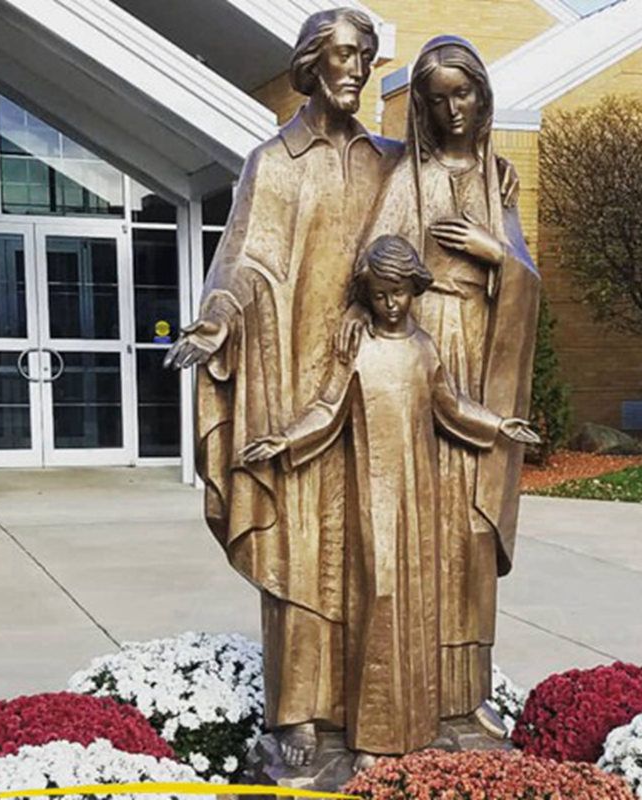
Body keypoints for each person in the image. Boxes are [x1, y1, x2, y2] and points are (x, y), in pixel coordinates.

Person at [163, 8, 403, 768]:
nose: (355, 69)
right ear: (308, 64)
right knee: (300, 550)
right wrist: (215, 323)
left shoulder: (388, 162)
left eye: (364, 56)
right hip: (293, 383)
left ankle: (372, 709)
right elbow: (245, 262)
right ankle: (298, 716)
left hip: (371, 388)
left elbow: (435, 217)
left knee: (370, 551)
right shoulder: (276, 161)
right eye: (340, 55)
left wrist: (491, 180)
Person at [240, 235, 538, 768]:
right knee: (378, 600)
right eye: (380, 295)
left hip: (420, 497)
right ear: (368, 294)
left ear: (414, 290)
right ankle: (372, 740)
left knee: (418, 607)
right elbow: (328, 411)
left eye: (399, 292)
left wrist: (500, 425)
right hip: (371, 495)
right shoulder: (359, 351)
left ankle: (416, 728)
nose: (391, 304)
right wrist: (284, 440)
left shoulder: (423, 348)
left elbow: (451, 406)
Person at [361, 36, 541, 736]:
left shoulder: (498, 178)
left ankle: (468, 690)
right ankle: (415, 684)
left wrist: (495, 255)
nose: (451, 110)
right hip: (421, 357)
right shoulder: (407, 180)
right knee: (422, 529)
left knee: (471, 530)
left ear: (482, 95)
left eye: (461, 94)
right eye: (436, 100)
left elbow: (525, 274)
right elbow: (372, 261)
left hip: (482, 356)